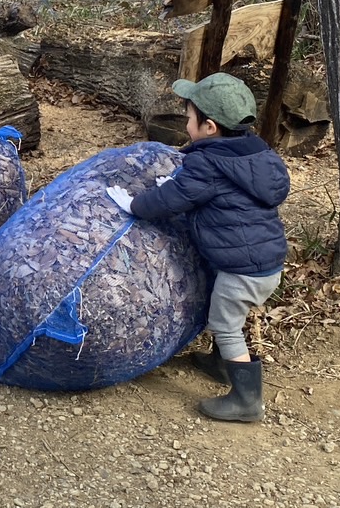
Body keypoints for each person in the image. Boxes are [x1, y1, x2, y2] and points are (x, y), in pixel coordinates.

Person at [106, 73, 290, 423]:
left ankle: (246, 400)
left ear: (209, 127)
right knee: (228, 317)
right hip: (260, 262)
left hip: (243, 271)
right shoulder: (253, 157)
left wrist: (135, 206)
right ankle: (221, 365)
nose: (185, 124)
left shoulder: (207, 162)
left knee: (225, 324)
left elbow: (174, 199)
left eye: (188, 118)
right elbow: (210, 194)